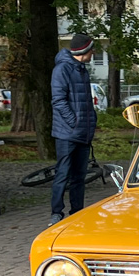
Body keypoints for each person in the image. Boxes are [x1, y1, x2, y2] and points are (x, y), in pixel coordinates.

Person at [49, 33, 97, 226]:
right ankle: (56, 213)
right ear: (85, 50)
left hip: (83, 133)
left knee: (79, 177)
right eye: (92, 49)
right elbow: (58, 100)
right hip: (67, 133)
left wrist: (89, 122)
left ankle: (77, 212)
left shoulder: (82, 69)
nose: (94, 53)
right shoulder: (62, 69)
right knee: (63, 174)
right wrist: (74, 122)